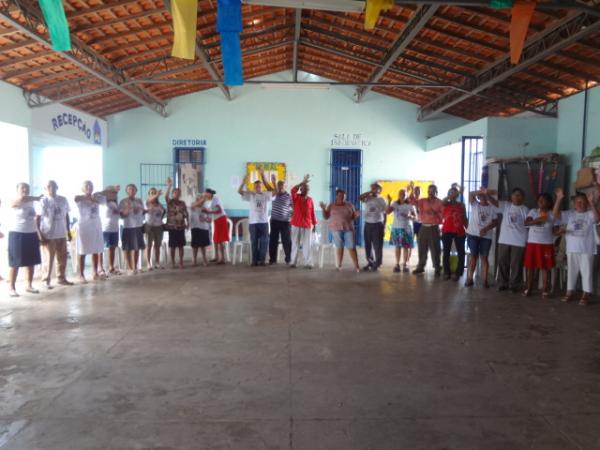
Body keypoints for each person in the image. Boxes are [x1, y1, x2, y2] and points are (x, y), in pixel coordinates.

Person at [553, 187, 600, 306]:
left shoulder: (589, 214)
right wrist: (558, 199)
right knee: (572, 272)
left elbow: (598, 219)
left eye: (584, 202)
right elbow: (555, 215)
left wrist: (592, 204)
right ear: (574, 204)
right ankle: (569, 292)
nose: (581, 204)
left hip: (587, 249)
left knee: (586, 272)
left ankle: (586, 294)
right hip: (572, 249)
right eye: (579, 202)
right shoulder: (570, 214)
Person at [74, 182, 116, 283]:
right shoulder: (80, 197)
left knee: (96, 250)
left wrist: (96, 195)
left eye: (90, 185)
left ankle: (95, 273)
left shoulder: (98, 196)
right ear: (82, 188)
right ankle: (81, 275)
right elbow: (76, 198)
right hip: (84, 226)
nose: (89, 187)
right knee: (82, 251)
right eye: (86, 186)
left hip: (96, 225)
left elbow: (104, 197)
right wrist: (88, 197)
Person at [490, 188, 528, 292]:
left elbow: (528, 224)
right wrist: (487, 194)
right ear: (511, 197)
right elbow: (493, 202)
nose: (517, 197)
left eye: (519, 195)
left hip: (519, 241)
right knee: (502, 261)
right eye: (515, 194)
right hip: (504, 239)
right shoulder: (506, 206)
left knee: (516, 264)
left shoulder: (525, 209)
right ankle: (503, 283)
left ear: (523, 198)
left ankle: (514, 285)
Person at [36, 180, 73, 289]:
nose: (51, 188)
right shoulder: (43, 201)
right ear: (45, 188)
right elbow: (37, 219)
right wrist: (40, 235)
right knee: (48, 259)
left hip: (61, 233)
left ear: (57, 187)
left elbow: (66, 216)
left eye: (53, 186)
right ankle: (45, 280)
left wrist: (68, 231)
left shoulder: (63, 199)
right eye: (48, 186)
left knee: (62, 258)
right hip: (48, 234)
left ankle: (61, 278)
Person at [7, 183, 42, 297]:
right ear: (17, 190)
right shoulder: (15, 199)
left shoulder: (31, 202)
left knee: (31, 261)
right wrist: (36, 198)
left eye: (27, 188)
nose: (25, 189)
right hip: (17, 233)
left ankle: (29, 285)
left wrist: (38, 234)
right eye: (23, 188)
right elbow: (22, 198)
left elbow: (34, 218)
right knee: (15, 262)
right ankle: (12, 287)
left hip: (31, 233)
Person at [523, 193, 556, 298]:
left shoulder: (552, 214)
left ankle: (545, 290)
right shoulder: (533, 211)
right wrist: (539, 220)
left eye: (543, 200)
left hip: (546, 244)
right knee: (530, 266)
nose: (540, 201)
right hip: (532, 243)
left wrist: (561, 232)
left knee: (545, 267)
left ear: (549, 203)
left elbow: (555, 230)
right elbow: (527, 223)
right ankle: (529, 288)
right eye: (539, 200)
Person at [464, 188, 499, 288]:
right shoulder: (475, 205)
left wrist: (486, 228)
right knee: (473, 256)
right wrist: (483, 191)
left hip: (486, 237)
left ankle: (485, 280)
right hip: (473, 235)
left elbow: (496, 222)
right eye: (480, 196)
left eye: (484, 196)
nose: (482, 197)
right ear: (478, 197)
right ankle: (470, 278)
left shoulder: (492, 208)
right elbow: (470, 193)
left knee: (484, 258)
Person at [320, 189, 360, 272]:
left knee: (352, 247)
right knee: (339, 247)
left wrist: (356, 216)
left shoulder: (350, 205)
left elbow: (353, 216)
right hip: (336, 229)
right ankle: (339, 265)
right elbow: (326, 217)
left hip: (348, 228)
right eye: (340, 195)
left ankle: (356, 266)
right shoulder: (331, 205)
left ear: (345, 197)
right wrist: (323, 209)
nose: (342, 197)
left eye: (344, 196)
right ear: (337, 196)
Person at [238, 170, 273, 266]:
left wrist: (263, 175)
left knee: (264, 242)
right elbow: (239, 191)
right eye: (256, 186)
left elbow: (273, 191)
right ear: (254, 187)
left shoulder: (266, 195)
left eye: (259, 186)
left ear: (262, 187)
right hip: (253, 223)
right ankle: (254, 260)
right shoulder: (251, 195)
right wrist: (243, 182)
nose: (258, 187)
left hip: (264, 222)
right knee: (254, 242)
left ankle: (262, 260)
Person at [413, 184, 443, 275]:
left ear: (436, 192)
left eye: (433, 191)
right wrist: (411, 191)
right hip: (423, 227)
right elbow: (412, 202)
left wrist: (435, 213)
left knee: (435, 249)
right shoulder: (423, 201)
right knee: (422, 248)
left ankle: (437, 267)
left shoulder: (440, 202)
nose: (430, 192)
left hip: (434, 227)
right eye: (429, 191)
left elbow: (443, 217)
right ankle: (420, 267)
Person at [290, 175, 317, 268]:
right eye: (304, 188)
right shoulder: (296, 197)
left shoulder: (310, 200)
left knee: (307, 244)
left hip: (307, 225)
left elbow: (312, 212)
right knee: (295, 243)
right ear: (301, 189)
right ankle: (293, 262)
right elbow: (293, 190)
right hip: (296, 224)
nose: (306, 189)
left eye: (307, 188)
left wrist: (314, 224)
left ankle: (308, 263)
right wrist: (302, 182)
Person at [441, 185, 467, 281]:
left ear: (457, 195)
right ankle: (446, 272)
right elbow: (443, 201)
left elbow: (464, 218)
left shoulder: (461, 205)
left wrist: (468, 230)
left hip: (459, 231)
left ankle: (458, 272)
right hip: (447, 230)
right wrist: (450, 196)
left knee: (461, 252)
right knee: (446, 252)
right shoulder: (445, 203)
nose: (452, 194)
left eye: (454, 193)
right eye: (450, 192)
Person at [387, 189, 416, 273]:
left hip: (407, 228)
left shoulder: (410, 205)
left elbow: (415, 217)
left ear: (407, 195)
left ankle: (405, 264)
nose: (402, 195)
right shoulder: (395, 204)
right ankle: (397, 264)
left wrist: (409, 215)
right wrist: (389, 201)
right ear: (398, 195)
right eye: (400, 193)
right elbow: (388, 212)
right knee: (397, 247)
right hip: (396, 228)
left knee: (406, 247)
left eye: (404, 193)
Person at [119, 184, 146, 274]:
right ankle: (129, 268)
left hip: (138, 226)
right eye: (129, 189)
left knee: (137, 247)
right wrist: (127, 210)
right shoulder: (123, 201)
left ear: (136, 191)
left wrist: (141, 211)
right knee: (127, 248)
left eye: (133, 189)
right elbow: (121, 215)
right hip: (128, 226)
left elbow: (142, 212)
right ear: (127, 191)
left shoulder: (139, 201)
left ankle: (135, 267)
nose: (131, 191)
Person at [360, 183, 387, 272]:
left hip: (377, 224)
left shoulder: (382, 200)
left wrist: (384, 226)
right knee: (368, 245)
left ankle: (377, 263)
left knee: (377, 245)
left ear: (380, 190)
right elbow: (359, 197)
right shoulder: (368, 198)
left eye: (376, 188)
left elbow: (385, 213)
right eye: (372, 188)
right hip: (368, 224)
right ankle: (370, 262)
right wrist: (370, 192)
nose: (374, 189)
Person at [267, 174, 292, 265]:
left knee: (287, 241)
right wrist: (273, 181)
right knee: (273, 241)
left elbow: (293, 207)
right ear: (277, 187)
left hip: (285, 222)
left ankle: (288, 258)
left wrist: (292, 216)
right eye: (279, 187)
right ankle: (272, 259)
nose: (281, 188)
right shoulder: (274, 195)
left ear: (285, 187)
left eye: (282, 187)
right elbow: (268, 187)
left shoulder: (289, 196)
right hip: (274, 221)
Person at [165, 177, 189, 269]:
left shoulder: (182, 203)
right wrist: (169, 186)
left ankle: (181, 262)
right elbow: (165, 197)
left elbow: (186, 214)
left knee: (181, 245)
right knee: (173, 246)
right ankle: (173, 262)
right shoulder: (170, 202)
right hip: (172, 227)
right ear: (172, 194)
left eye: (179, 193)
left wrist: (188, 223)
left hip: (181, 226)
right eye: (175, 193)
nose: (177, 194)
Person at [203, 188, 228, 264]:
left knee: (220, 240)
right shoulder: (210, 202)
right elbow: (212, 214)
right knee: (216, 239)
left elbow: (219, 210)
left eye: (206, 193)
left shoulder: (215, 199)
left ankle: (223, 258)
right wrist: (206, 218)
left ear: (210, 194)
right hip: (216, 220)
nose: (205, 195)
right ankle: (216, 257)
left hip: (221, 219)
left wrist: (209, 212)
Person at [100, 186, 121, 275]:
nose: (113, 194)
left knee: (112, 248)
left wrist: (121, 212)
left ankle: (111, 267)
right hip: (105, 228)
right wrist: (110, 189)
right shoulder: (103, 202)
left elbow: (118, 215)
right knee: (101, 249)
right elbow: (97, 194)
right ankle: (100, 268)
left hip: (114, 228)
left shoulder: (115, 203)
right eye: (111, 193)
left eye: (114, 193)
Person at [145, 187, 165, 270]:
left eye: (154, 192)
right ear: (149, 194)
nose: (153, 194)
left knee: (157, 246)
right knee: (149, 246)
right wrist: (157, 194)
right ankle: (148, 263)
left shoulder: (160, 205)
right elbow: (150, 200)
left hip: (159, 226)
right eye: (151, 193)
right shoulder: (146, 202)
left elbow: (163, 213)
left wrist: (160, 220)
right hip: (149, 226)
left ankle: (157, 262)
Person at [190, 193, 211, 266]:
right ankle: (194, 260)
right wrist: (204, 197)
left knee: (203, 245)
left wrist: (206, 219)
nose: (200, 200)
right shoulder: (193, 206)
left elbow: (210, 220)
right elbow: (195, 204)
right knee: (195, 246)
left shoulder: (205, 208)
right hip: (195, 227)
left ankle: (204, 259)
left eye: (200, 198)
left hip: (204, 228)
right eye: (198, 198)